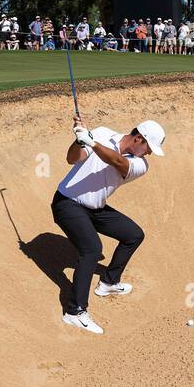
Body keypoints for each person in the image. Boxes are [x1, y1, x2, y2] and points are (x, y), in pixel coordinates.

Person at [51, 115, 167, 334]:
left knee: (133, 234)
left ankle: (108, 283)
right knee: (92, 250)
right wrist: (79, 140)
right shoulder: (103, 132)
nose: (150, 152)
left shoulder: (140, 164)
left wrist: (91, 141)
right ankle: (74, 312)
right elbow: (72, 159)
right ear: (139, 139)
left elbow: (116, 161)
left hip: (94, 209)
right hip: (67, 203)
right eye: (149, 147)